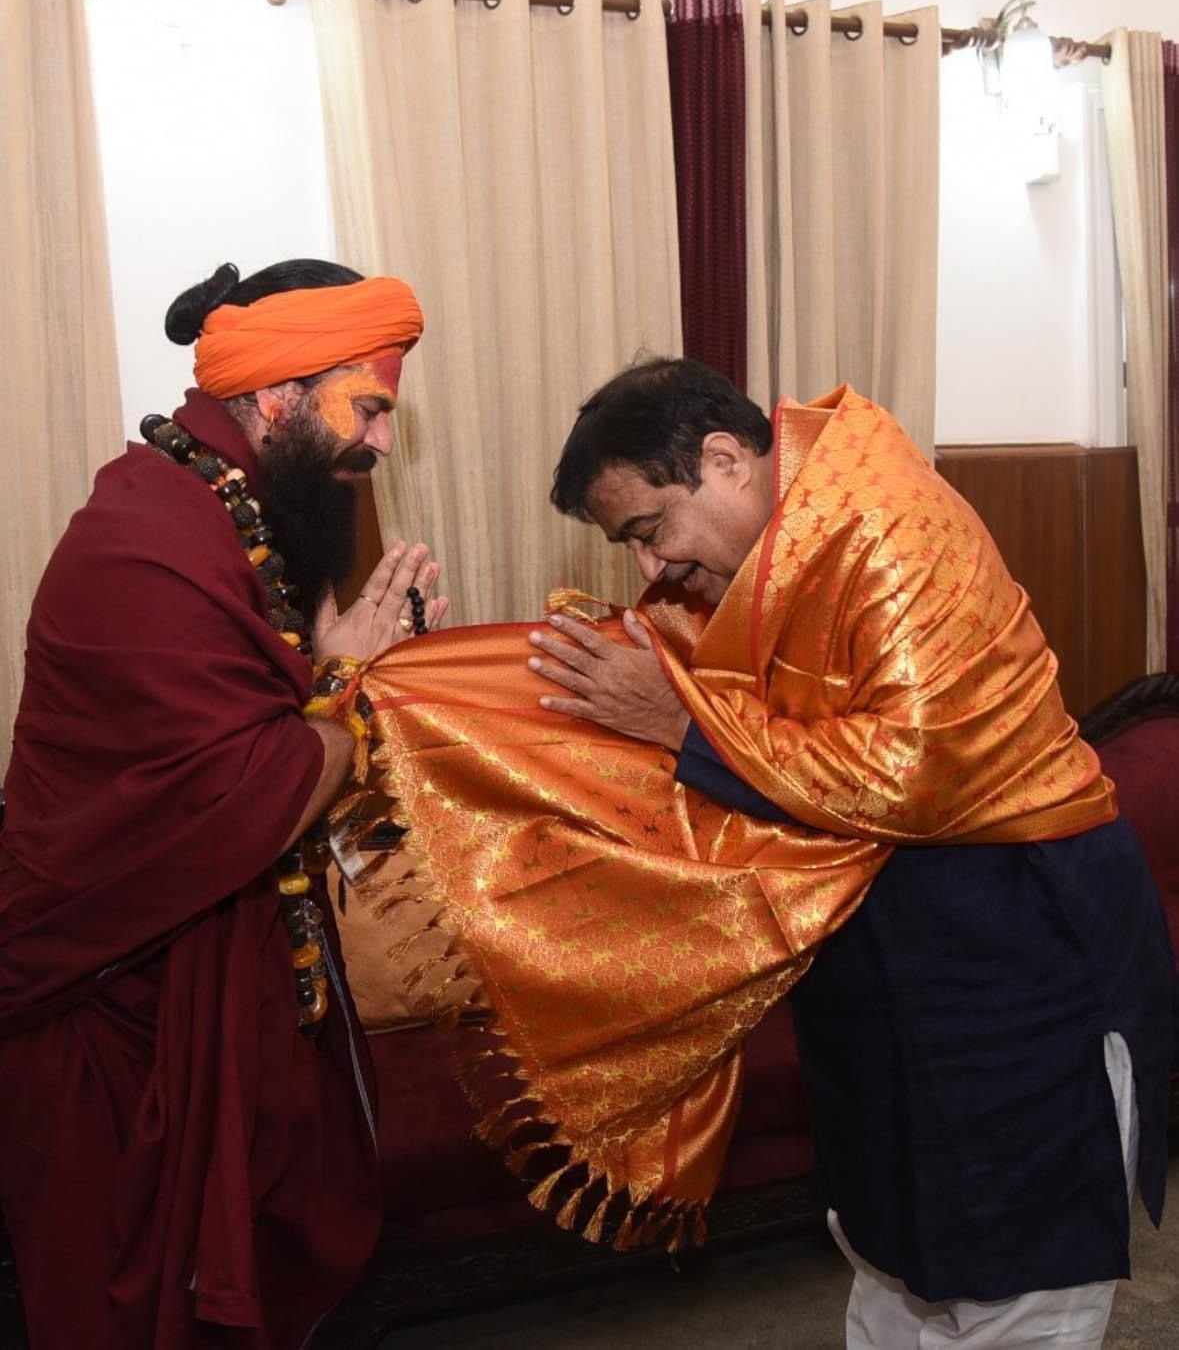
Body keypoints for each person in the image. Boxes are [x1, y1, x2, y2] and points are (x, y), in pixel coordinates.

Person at [519, 356, 1174, 1348]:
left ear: (724, 459)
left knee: (1017, 1268)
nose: (650, 569)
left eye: (649, 530)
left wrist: (684, 727)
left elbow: (915, 771)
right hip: (878, 950)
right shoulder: (763, 557)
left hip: (1015, 938)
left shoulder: (888, 527)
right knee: (892, 1246)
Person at [0, 258, 448, 1349]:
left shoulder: (227, 510)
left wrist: (346, 669)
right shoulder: (143, 538)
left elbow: (272, 738)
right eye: (368, 406)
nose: (383, 439)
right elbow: (243, 796)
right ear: (279, 395)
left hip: (220, 971)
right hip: (110, 1012)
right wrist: (344, 685)